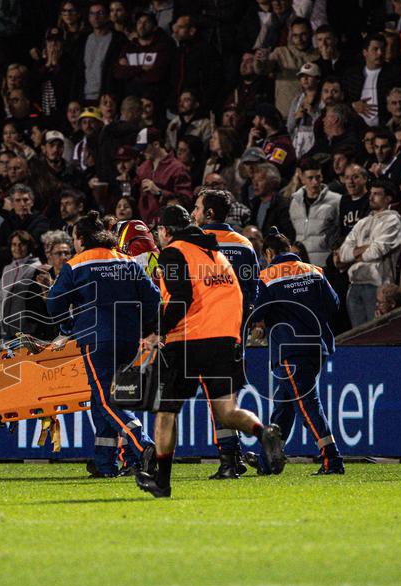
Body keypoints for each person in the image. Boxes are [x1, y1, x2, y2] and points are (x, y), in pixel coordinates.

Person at [135, 205, 286, 498]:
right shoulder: (216, 255)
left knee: (165, 412)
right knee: (226, 412)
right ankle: (262, 432)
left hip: (189, 340)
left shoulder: (173, 252)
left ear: (165, 231)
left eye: (160, 232)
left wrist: (157, 331)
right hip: (225, 339)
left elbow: (180, 296)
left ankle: (162, 483)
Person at [47, 212, 160, 477]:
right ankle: (106, 463)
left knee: (106, 398)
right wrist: (144, 327)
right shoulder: (127, 261)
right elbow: (154, 298)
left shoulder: (76, 265)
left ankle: (142, 444)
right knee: (108, 398)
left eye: (74, 237)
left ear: (81, 239)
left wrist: (68, 327)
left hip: (96, 339)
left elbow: (54, 304)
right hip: (129, 340)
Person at [251, 229, 343, 474]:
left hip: (290, 349)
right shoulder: (314, 271)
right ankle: (267, 462)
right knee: (284, 405)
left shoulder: (268, 276)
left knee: (307, 404)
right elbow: (334, 305)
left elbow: (257, 313)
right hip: (316, 346)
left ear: (269, 253)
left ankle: (331, 459)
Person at [193, 189, 260, 479]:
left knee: (216, 396)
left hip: (206, 329)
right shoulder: (244, 244)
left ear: (208, 213)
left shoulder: (194, 244)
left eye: (196, 208)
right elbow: (253, 291)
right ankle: (233, 457)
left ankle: (230, 459)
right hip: (236, 330)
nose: (193, 213)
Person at [335, 179, 401, 327]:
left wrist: (353, 255)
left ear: (388, 198)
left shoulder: (392, 220)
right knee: (357, 335)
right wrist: (363, 250)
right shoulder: (362, 222)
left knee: (376, 333)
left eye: (377, 194)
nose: (371, 197)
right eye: (371, 193)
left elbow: (377, 251)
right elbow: (343, 253)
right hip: (354, 285)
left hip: (378, 286)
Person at [289, 156, 341, 266]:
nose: (315, 182)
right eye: (310, 178)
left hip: (326, 264)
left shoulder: (336, 200)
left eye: (318, 177)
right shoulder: (295, 202)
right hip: (301, 265)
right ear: (302, 179)